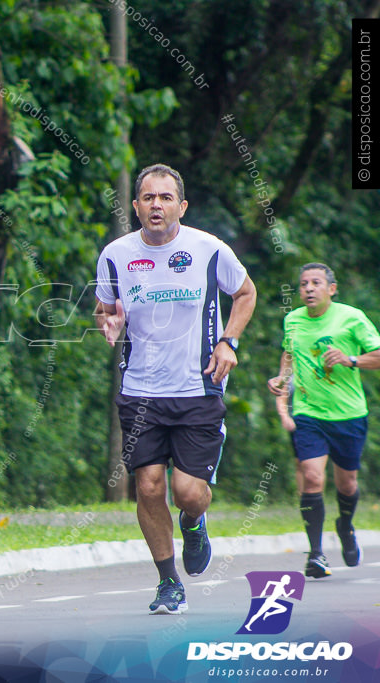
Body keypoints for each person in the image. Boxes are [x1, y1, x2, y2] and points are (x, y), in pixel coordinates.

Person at [95, 163, 257, 615]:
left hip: (197, 389)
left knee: (187, 492)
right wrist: (108, 319)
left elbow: (246, 293)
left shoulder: (208, 249)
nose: (156, 205)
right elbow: (105, 306)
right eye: (148, 197)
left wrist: (229, 341)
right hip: (140, 389)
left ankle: (194, 520)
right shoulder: (115, 254)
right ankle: (169, 583)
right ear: (135, 205)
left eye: (165, 198)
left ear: (181, 206)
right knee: (147, 486)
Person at [267, 263, 380, 578]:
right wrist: (281, 380)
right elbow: (289, 355)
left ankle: (345, 524)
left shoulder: (352, 318)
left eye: (316, 283)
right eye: (303, 284)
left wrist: (350, 359)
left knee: (347, 483)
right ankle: (315, 553)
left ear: (332, 288)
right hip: (308, 414)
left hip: (349, 414)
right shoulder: (293, 320)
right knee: (312, 478)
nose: (308, 289)